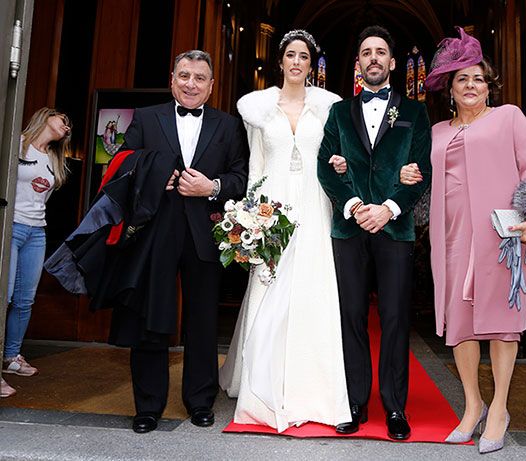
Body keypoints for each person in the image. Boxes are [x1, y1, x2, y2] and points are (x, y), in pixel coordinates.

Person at [399, 28, 526, 453]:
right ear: (450, 89)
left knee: (502, 324)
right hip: (452, 237)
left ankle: (499, 411)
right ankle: (473, 406)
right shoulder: (435, 132)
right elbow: (424, 179)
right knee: (460, 324)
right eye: (462, 79)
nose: (471, 85)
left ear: (487, 85)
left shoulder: (508, 117)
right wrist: (409, 177)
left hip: (502, 236)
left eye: (478, 78)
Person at [219, 29, 351, 431]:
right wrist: (249, 216)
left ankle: (314, 387)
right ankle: (259, 383)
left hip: (315, 205)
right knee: (268, 286)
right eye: (291, 55)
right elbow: (256, 165)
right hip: (271, 208)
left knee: (314, 289)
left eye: (304, 57)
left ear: (312, 66)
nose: (296, 62)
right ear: (280, 62)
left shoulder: (329, 108)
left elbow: (335, 158)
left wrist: (341, 168)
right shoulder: (257, 109)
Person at [112, 50, 249, 433]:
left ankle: (200, 400)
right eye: (184, 75)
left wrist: (213, 186)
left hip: (205, 233)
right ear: (172, 79)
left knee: (203, 320)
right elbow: (123, 164)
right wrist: (155, 178)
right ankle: (148, 406)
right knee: (151, 318)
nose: (191, 83)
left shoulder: (227, 125)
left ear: (210, 86)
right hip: (155, 232)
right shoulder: (146, 117)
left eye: (199, 77)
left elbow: (241, 176)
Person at [317, 25, 432, 441]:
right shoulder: (338, 113)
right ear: (358, 64)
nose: (373, 58)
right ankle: (353, 402)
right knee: (350, 318)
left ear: (392, 62)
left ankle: (396, 406)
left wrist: (387, 208)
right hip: (348, 230)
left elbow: (422, 170)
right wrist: (353, 207)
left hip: (395, 228)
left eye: (380, 52)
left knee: (396, 318)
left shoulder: (414, 113)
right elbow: (324, 166)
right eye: (366, 52)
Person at [1, 108, 72, 398]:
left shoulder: (55, 159)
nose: (67, 127)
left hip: (36, 231)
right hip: (11, 228)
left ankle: (12, 357)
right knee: (3, 297)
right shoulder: (17, 144)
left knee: (25, 299)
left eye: (69, 126)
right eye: (63, 120)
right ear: (46, 117)